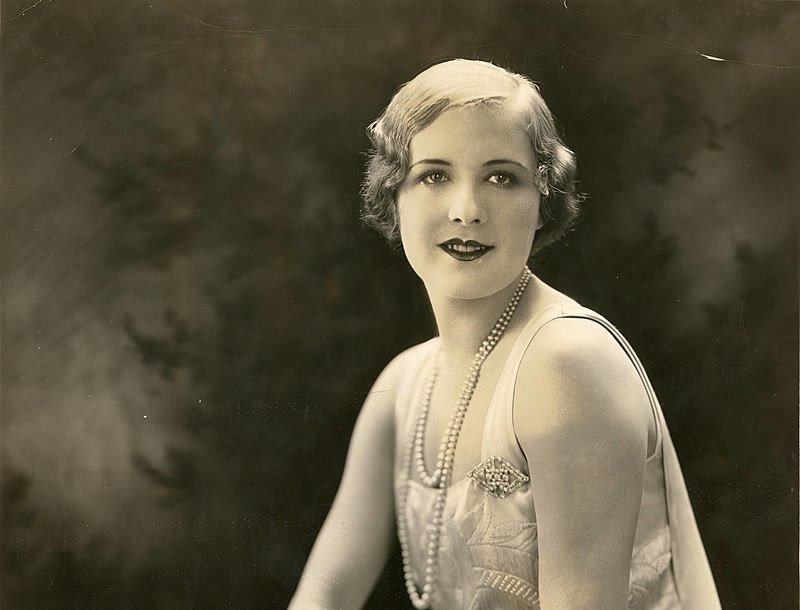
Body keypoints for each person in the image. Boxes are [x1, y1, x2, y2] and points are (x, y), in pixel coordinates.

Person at [288, 59, 720, 610]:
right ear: (394, 195)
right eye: (434, 175)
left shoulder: (568, 362)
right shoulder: (404, 385)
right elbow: (323, 596)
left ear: (542, 202)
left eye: (501, 177)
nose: (466, 211)